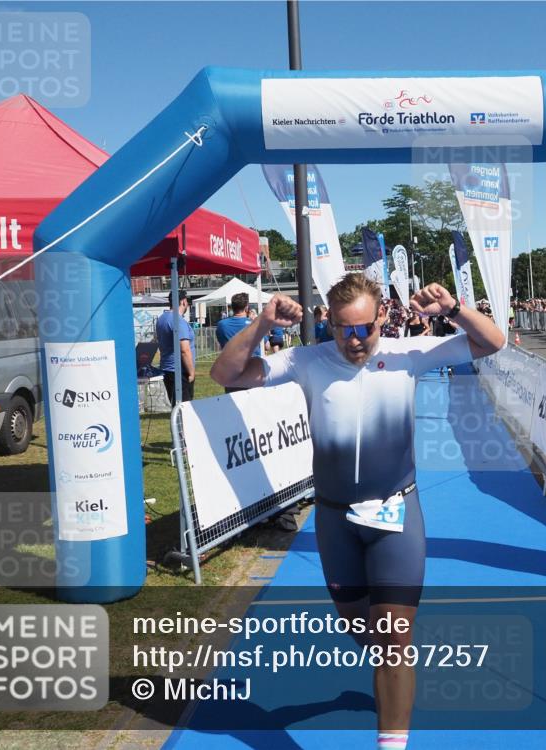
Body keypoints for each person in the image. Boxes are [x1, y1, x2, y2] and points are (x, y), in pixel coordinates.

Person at [211, 274, 504, 749]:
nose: (354, 341)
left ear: (382, 318)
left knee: (391, 640)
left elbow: (492, 342)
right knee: (360, 628)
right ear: (327, 321)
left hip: (396, 518)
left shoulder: (410, 353)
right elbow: (225, 376)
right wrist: (262, 323)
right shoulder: (307, 360)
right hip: (335, 520)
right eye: (344, 330)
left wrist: (453, 308)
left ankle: (392, 723)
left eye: (364, 329)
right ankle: (396, 665)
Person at [215, 292, 262, 394]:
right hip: (252, 369)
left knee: (234, 402)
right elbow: (265, 345)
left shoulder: (221, 325)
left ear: (232, 307)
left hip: (231, 369)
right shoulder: (254, 324)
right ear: (246, 307)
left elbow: (221, 342)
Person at [155, 290, 195, 404]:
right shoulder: (178, 321)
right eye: (187, 301)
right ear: (183, 301)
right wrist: (191, 372)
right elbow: (184, 350)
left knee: (177, 406)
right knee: (185, 409)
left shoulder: (162, 318)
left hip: (168, 369)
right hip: (180, 371)